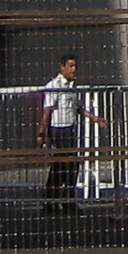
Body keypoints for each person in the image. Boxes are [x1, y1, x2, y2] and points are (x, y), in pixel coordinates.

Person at [37, 55, 103, 206]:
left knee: (72, 165)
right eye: (71, 66)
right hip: (58, 130)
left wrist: (94, 118)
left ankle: (69, 200)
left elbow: (77, 107)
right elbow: (47, 111)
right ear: (62, 67)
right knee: (60, 165)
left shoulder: (72, 86)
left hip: (70, 129)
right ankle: (51, 200)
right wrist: (41, 132)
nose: (74, 69)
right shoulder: (54, 85)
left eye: (75, 66)